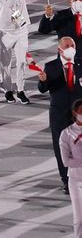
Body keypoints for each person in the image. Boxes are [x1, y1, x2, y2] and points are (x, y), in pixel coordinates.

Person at [39, 38, 82, 193]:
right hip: (59, 114)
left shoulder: (80, 65)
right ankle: (67, 180)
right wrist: (43, 81)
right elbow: (43, 89)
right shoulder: (51, 67)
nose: (71, 48)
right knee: (62, 149)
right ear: (60, 50)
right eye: (67, 46)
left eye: (73, 46)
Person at [0, 0, 38, 104]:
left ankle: (20, 90)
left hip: (21, 29)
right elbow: (6, 6)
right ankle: (7, 90)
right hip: (6, 31)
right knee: (5, 64)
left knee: (21, 62)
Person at [60, 98, 82, 224]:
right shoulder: (66, 134)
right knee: (79, 219)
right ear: (74, 113)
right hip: (76, 180)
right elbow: (66, 162)